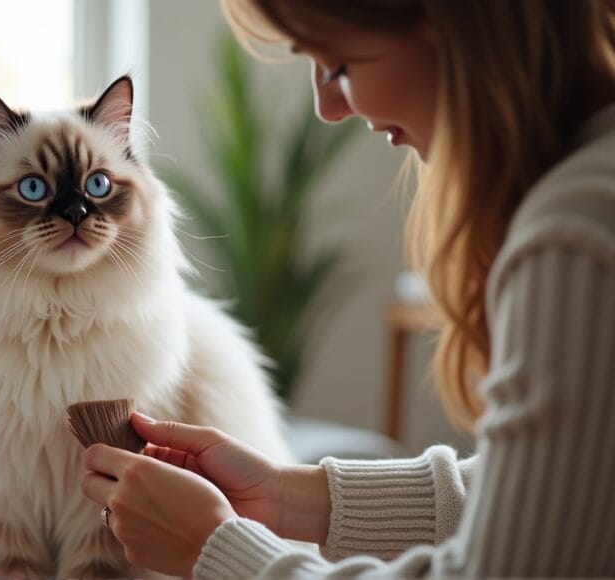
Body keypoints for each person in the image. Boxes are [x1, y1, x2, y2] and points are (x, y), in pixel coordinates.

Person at [80, 0, 615, 577]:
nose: (328, 107)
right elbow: (555, 494)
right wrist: (289, 496)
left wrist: (220, 551)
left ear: (451, 26)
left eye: (336, 67)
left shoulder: (577, 232)